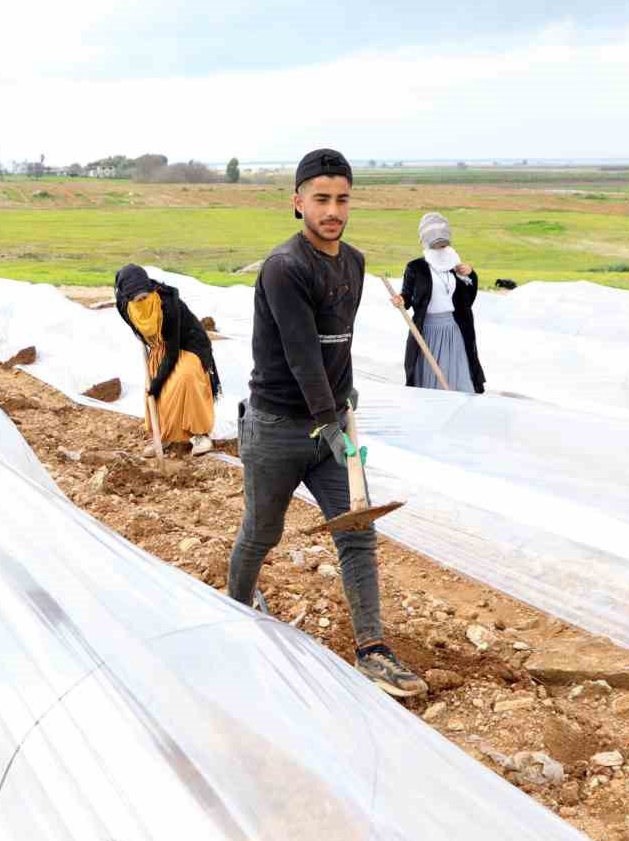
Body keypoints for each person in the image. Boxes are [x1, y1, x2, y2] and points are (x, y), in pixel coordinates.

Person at [226, 147, 426, 698]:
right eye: (321, 199)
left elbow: (339, 343)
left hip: (331, 424)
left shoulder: (354, 263)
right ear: (298, 202)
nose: (332, 210)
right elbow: (301, 355)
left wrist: (345, 399)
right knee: (262, 531)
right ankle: (232, 611)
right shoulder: (284, 269)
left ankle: (372, 648)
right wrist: (328, 422)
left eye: (341, 199)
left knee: (357, 530)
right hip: (277, 428)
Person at [113, 264, 220, 456]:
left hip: (188, 345)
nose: (143, 301)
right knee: (158, 392)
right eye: (138, 300)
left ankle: (199, 435)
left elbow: (172, 354)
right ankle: (162, 436)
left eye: (146, 297)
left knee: (184, 379)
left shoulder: (168, 304)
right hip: (159, 346)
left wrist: (157, 383)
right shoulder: (124, 306)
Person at [393, 213, 486, 393]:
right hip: (428, 332)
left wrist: (470, 275)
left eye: (444, 244)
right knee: (430, 379)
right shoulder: (416, 268)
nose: (442, 249)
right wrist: (400, 300)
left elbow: (467, 299)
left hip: (453, 330)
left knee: (458, 377)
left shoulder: (454, 266)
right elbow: (407, 296)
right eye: (437, 245)